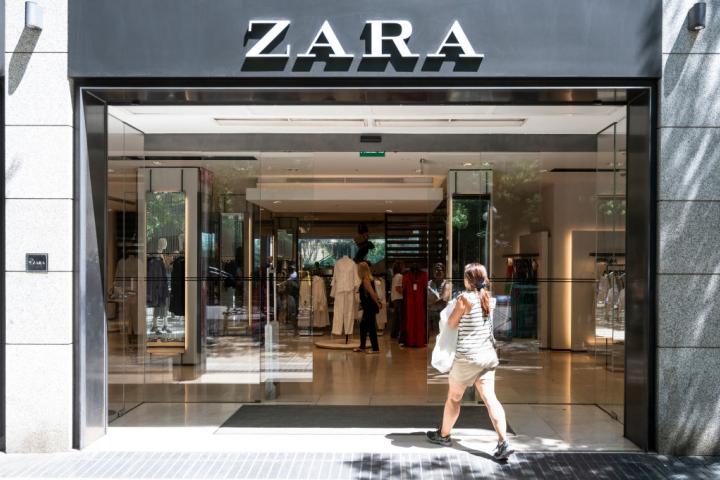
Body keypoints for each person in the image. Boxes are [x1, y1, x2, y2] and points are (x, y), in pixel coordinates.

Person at [426, 263, 514, 461]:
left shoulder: (464, 299)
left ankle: (444, 435)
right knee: (491, 399)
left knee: (454, 398)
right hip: (487, 357)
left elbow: (451, 323)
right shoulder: (488, 298)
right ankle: (503, 442)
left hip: (466, 358)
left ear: (468, 280)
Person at [353, 261, 382, 354]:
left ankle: (375, 348)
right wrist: (378, 301)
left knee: (371, 327)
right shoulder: (368, 279)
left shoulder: (366, 280)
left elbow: (372, 293)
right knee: (363, 326)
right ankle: (362, 347)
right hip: (368, 307)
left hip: (369, 307)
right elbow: (373, 293)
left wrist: (378, 303)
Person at [389, 261, 404, 340]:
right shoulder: (400, 276)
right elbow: (398, 288)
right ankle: (398, 333)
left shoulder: (394, 276)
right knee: (399, 318)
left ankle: (394, 333)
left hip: (395, 298)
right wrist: (406, 292)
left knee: (396, 317)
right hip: (399, 298)